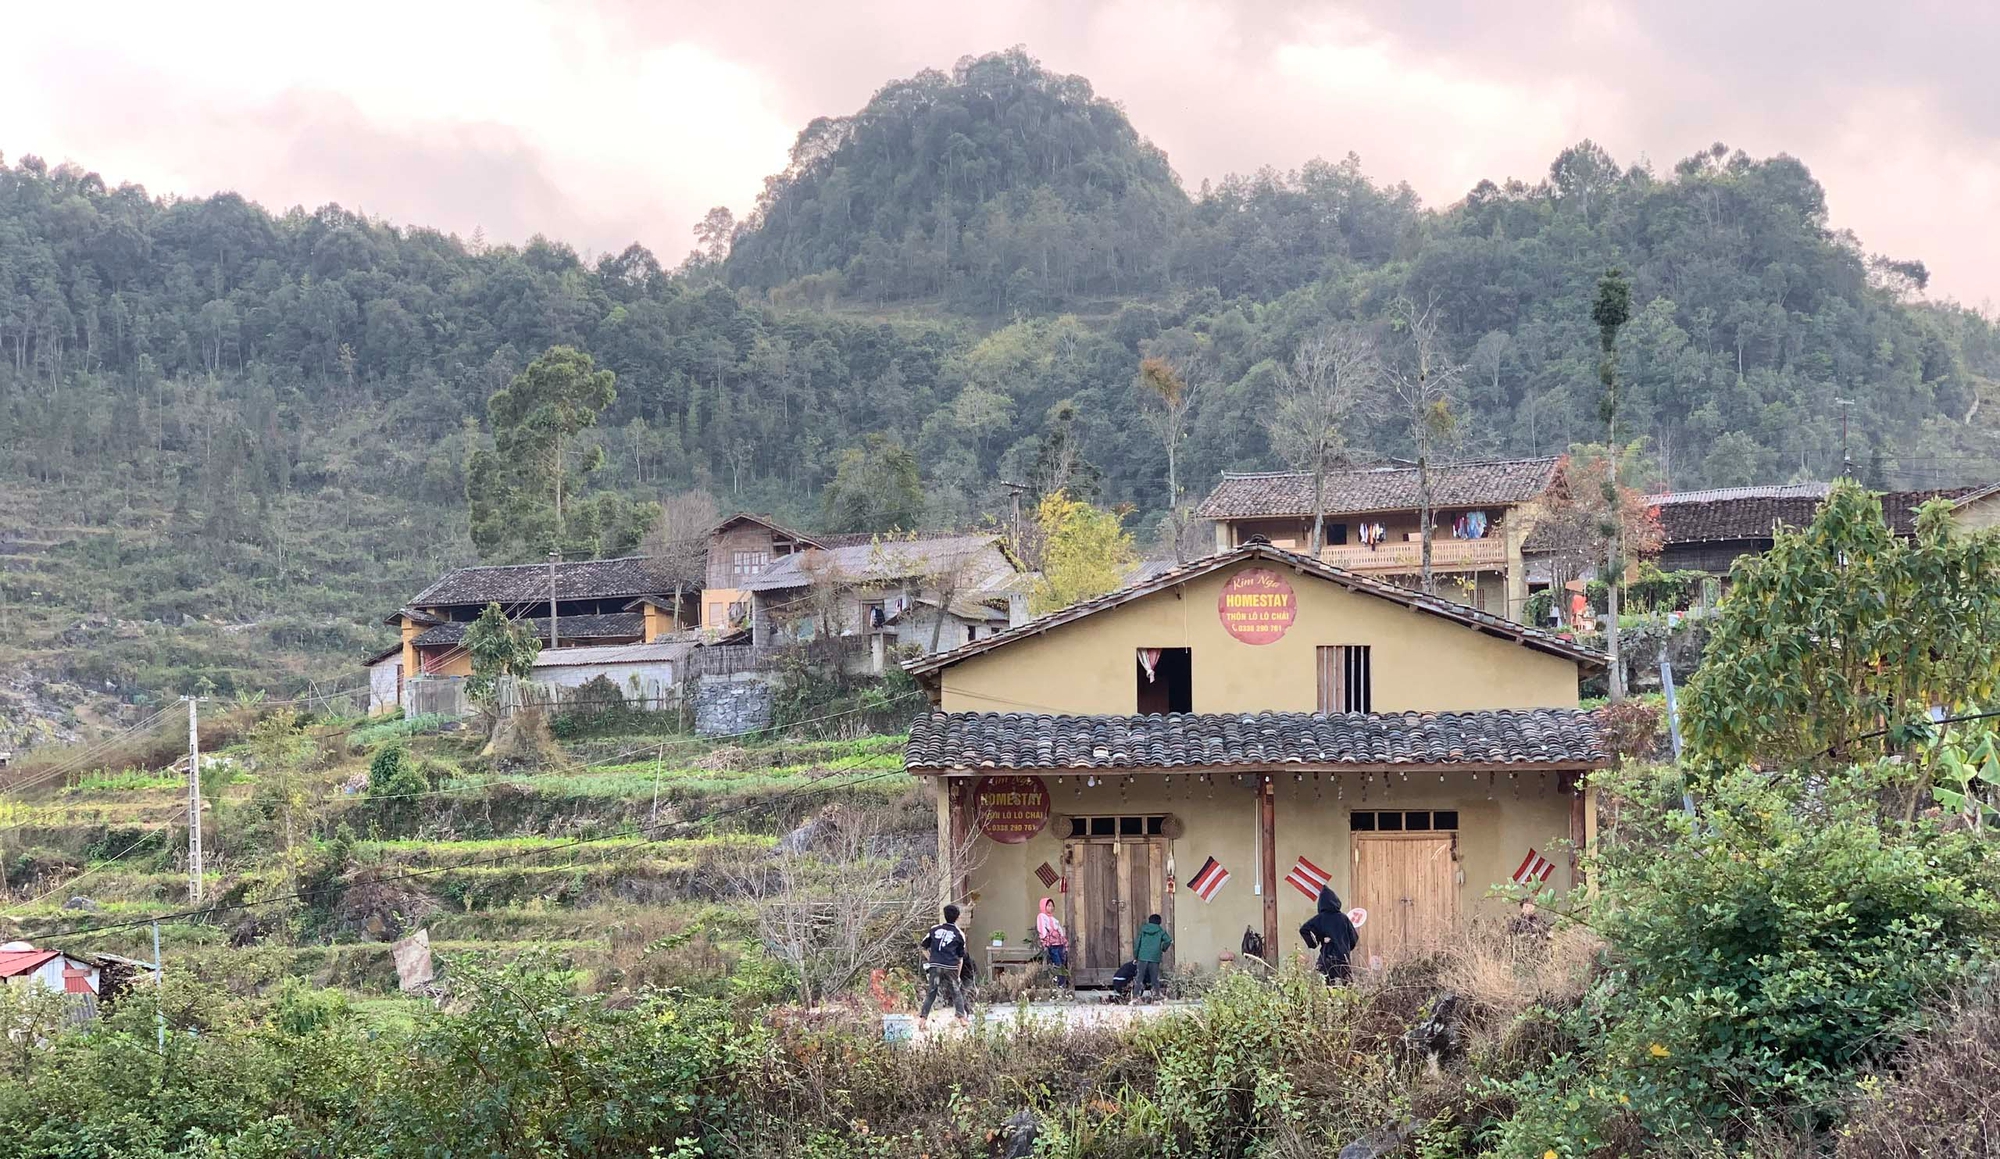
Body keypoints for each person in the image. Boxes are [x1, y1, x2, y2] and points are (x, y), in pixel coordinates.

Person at [918, 904, 971, 1021]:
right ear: (957, 917)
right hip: (950, 966)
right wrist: (957, 975)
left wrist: (931, 958)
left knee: (931, 992)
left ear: (944, 915)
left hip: (935, 965)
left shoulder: (934, 929)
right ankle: (961, 1018)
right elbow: (960, 957)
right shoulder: (959, 934)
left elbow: (923, 947)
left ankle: (922, 1019)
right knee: (956, 992)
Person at [1299, 886, 1359, 984]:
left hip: (1327, 957)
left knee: (1325, 986)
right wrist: (1346, 947)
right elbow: (1354, 937)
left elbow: (1304, 929)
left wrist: (1315, 942)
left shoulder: (1320, 919)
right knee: (1347, 985)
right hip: (1343, 957)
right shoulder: (1344, 918)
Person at [1133, 912, 1173, 1003]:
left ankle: (1136, 997)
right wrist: (1162, 948)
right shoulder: (1160, 931)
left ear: (1149, 921)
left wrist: (1136, 956)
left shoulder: (1143, 930)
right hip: (1155, 957)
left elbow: (1137, 944)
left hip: (1142, 957)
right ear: (1159, 922)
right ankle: (1156, 997)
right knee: (1154, 978)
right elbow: (1168, 940)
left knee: (1139, 977)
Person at [1035, 897, 1071, 988]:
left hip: (1059, 944)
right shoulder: (1041, 916)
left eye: (1052, 906)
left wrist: (1063, 941)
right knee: (1057, 964)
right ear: (1044, 906)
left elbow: (1060, 931)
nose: (1051, 908)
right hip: (1052, 945)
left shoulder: (1055, 920)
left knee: (1062, 964)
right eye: (1048, 905)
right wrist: (1044, 940)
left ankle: (1062, 984)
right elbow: (1042, 929)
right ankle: (1060, 985)